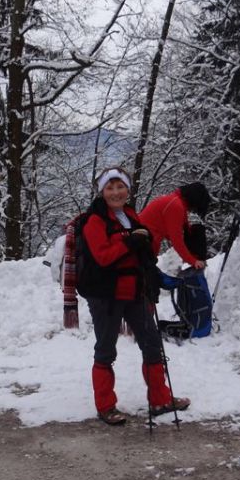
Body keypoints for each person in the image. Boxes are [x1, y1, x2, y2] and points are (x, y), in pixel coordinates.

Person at [81, 167, 190, 425]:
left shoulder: (130, 214)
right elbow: (102, 256)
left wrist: (147, 259)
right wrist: (129, 242)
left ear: (128, 190)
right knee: (106, 349)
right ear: (102, 191)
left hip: (134, 291)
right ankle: (106, 406)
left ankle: (160, 398)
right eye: (110, 187)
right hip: (105, 295)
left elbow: (141, 252)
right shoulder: (94, 220)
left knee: (152, 344)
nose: (116, 192)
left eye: (121, 187)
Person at [139, 183, 211, 269]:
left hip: (146, 245)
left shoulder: (176, 202)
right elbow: (176, 239)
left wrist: (193, 255)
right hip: (141, 246)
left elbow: (184, 231)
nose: (193, 210)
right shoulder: (176, 206)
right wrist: (193, 261)